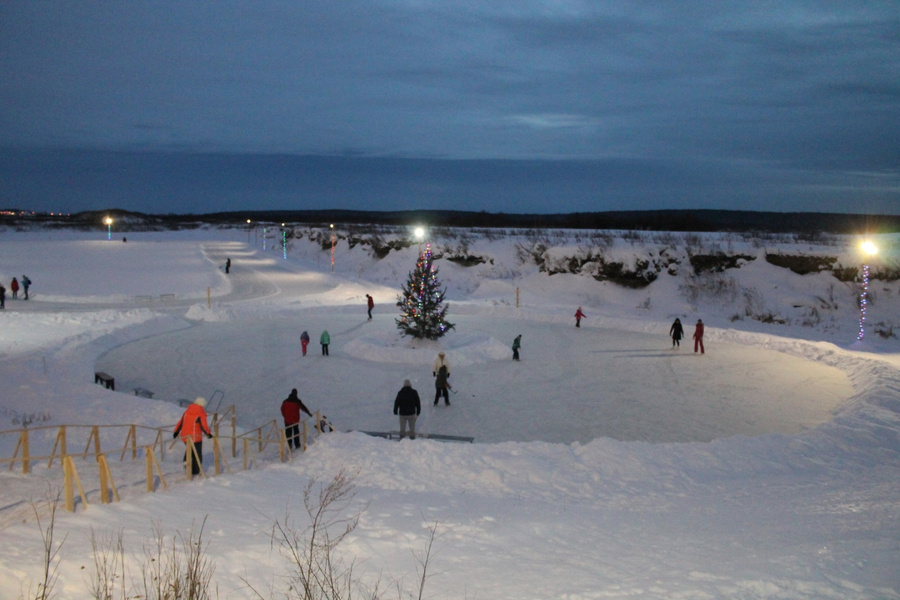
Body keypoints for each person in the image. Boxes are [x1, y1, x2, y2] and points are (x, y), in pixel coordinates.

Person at [173, 397, 213, 476]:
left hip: (185, 436)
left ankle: (186, 462)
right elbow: (203, 426)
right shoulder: (201, 413)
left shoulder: (187, 411)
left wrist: (176, 432)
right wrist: (208, 434)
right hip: (195, 437)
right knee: (197, 454)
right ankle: (195, 470)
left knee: (189, 448)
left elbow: (181, 422)